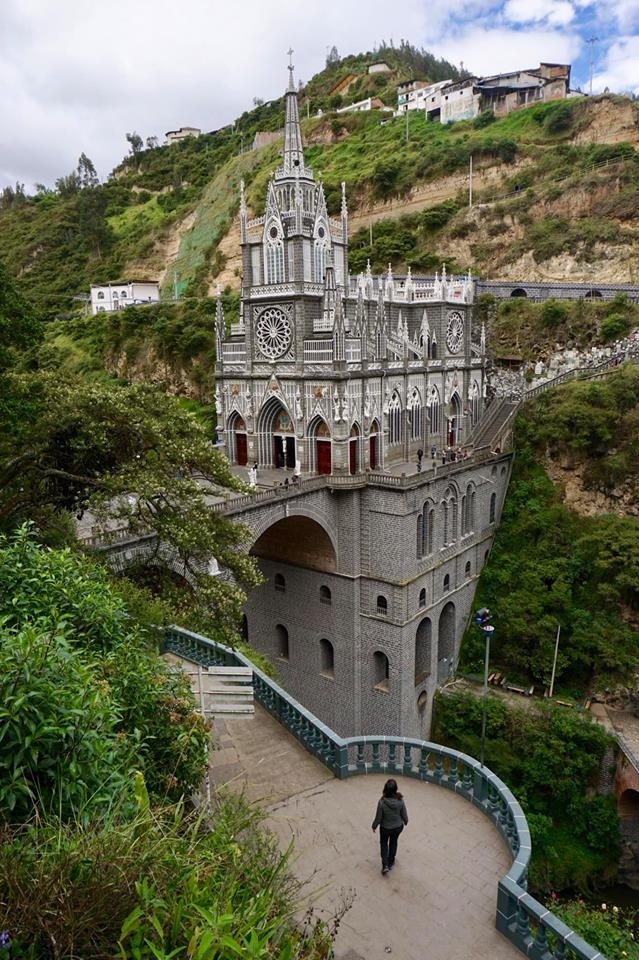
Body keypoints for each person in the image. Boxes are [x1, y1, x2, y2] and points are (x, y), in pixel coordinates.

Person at [372, 778, 409, 875]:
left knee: (384, 844)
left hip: (385, 828)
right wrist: (405, 821)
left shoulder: (382, 802)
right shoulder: (400, 800)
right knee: (393, 842)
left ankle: (385, 865)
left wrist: (374, 826)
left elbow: (378, 818)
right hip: (397, 827)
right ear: (396, 789)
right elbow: (404, 814)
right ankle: (391, 862)